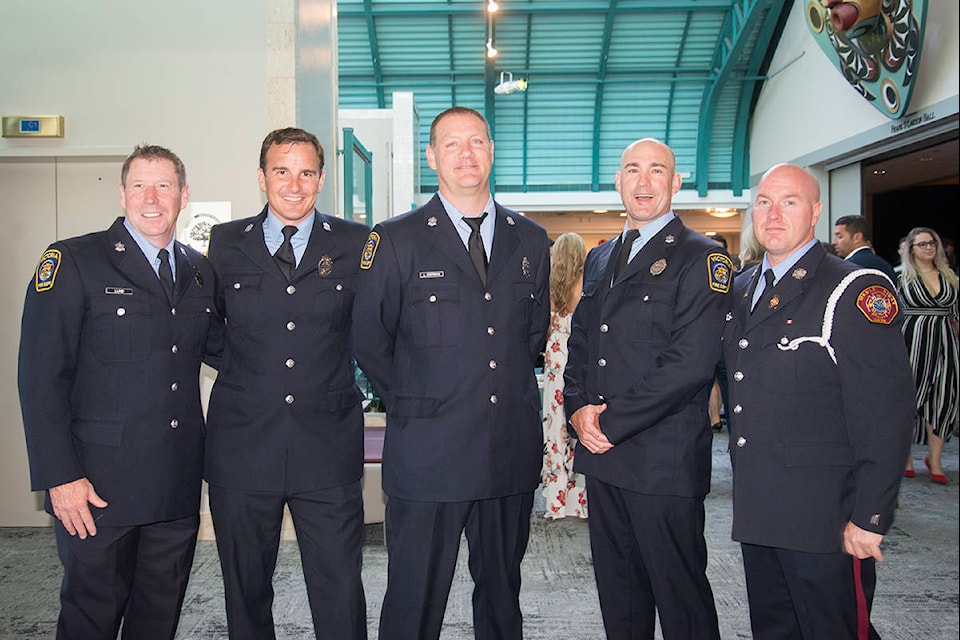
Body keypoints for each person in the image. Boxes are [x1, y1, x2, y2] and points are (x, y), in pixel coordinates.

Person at [352, 106, 550, 639]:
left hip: (507, 449)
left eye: (477, 142)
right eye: (452, 144)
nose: (466, 154)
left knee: (503, 598)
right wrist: (420, 401)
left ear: (491, 151)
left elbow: (531, 337)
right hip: (429, 455)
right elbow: (370, 338)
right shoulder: (395, 239)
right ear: (431, 156)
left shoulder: (530, 240)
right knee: (415, 600)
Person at [18, 145, 215, 640]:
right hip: (96, 488)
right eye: (140, 186)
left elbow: (223, 353)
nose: (152, 198)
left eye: (164, 186)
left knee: (158, 616)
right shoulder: (74, 260)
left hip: (175, 482)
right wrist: (60, 477)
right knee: (92, 616)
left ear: (184, 195)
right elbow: (41, 378)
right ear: (123, 193)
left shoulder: (198, 270)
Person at [723, 163, 915, 639]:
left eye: (789, 202)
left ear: (815, 212)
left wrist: (870, 517)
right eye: (764, 202)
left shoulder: (851, 289)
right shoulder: (743, 288)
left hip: (825, 519)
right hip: (759, 511)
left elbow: (886, 414)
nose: (773, 214)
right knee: (774, 630)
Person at [203, 128, 369, 639]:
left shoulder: (356, 242)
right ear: (262, 177)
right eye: (281, 171)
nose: (293, 185)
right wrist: (254, 373)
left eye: (306, 172)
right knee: (246, 590)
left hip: (328, 444)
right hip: (243, 445)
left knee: (340, 588)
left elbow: (374, 327)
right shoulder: (225, 242)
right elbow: (207, 329)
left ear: (321, 178)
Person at [563, 138, 732, 639]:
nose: (642, 181)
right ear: (618, 181)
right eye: (631, 170)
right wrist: (576, 410)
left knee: (680, 598)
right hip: (605, 457)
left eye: (656, 170)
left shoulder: (702, 258)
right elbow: (583, 342)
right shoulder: (600, 258)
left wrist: (607, 423)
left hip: (663, 461)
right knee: (620, 595)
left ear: (675, 183)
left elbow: (689, 365)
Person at [898, 226, 959, 483]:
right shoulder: (900, 277)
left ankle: (934, 460)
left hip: (945, 342)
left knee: (944, 399)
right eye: (922, 244)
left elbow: (955, 313)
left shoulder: (950, 277)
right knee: (907, 399)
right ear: (911, 249)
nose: (929, 248)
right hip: (911, 342)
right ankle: (906, 456)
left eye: (932, 243)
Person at [541, 231, 588, 519]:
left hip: (555, 360)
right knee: (578, 428)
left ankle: (556, 500)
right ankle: (579, 500)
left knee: (554, 428)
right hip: (579, 359)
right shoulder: (587, 284)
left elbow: (544, 329)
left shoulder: (549, 286)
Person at [832, 214, 898, 283]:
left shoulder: (849, 266)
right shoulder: (885, 265)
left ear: (857, 237)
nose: (834, 242)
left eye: (840, 237)